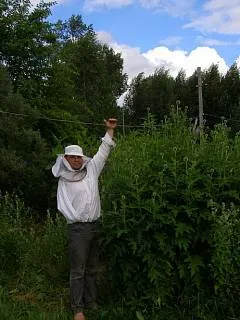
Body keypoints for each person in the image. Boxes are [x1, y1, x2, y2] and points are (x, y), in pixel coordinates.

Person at [52, 118, 117, 320]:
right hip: (78, 230)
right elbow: (64, 206)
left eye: (79, 157)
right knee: (78, 271)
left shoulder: (91, 171)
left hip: (95, 227)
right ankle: (77, 309)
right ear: (66, 159)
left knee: (91, 268)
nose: (77, 160)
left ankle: (91, 302)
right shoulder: (64, 180)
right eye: (73, 157)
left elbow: (103, 152)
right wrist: (80, 220)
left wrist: (109, 130)